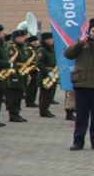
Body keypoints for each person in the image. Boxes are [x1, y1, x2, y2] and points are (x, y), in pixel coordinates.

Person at [64, 18, 94, 150]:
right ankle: (78, 142)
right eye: (93, 30)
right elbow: (68, 54)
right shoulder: (82, 44)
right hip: (81, 85)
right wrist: (79, 43)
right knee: (81, 116)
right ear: (89, 31)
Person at [5, 29, 29, 122]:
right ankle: (13, 115)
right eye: (22, 37)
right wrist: (14, 75)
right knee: (13, 96)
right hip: (14, 75)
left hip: (21, 74)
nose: (24, 39)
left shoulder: (21, 47)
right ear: (16, 38)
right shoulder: (12, 48)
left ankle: (17, 113)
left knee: (18, 96)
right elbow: (10, 62)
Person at [36, 31, 58, 118]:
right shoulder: (42, 49)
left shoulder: (50, 49)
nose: (51, 40)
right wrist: (48, 72)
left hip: (52, 74)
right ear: (45, 40)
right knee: (44, 95)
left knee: (50, 94)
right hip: (45, 75)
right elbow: (39, 63)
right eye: (50, 39)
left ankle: (46, 109)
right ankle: (43, 111)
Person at [24, 34, 41, 108]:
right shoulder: (28, 49)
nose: (36, 42)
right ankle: (29, 101)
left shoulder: (35, 49)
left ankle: (32, 100)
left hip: (35, 70)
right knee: (30, 88)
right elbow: (27, 60)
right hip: (30, 71)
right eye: (34, 41)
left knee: (34, 87)